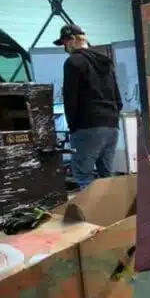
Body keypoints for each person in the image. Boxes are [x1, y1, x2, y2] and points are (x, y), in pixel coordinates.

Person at [54, 23, 122, 188]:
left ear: (72, 40)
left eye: (64, 43)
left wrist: (73, 128)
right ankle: (112, 204)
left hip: (87, 125)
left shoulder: (73, 62)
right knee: (106, 176)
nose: (65, 48)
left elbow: (71, 98)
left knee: (83, 175)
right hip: (111, 125)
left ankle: (90, 206)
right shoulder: (106, 62)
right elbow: (118, 99)